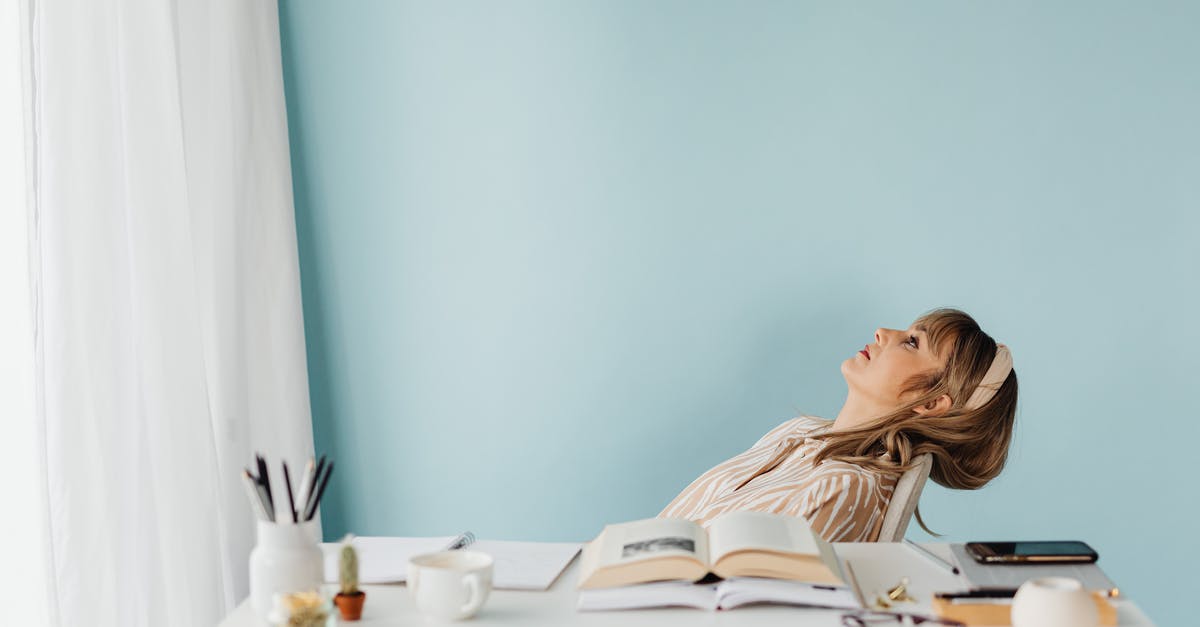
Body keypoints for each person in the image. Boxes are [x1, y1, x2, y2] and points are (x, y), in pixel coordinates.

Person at [658, 308, 1018, 542]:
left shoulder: (844, 488)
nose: (881, 332)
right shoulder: (797, 433)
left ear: (929, 402)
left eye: (911, 343)